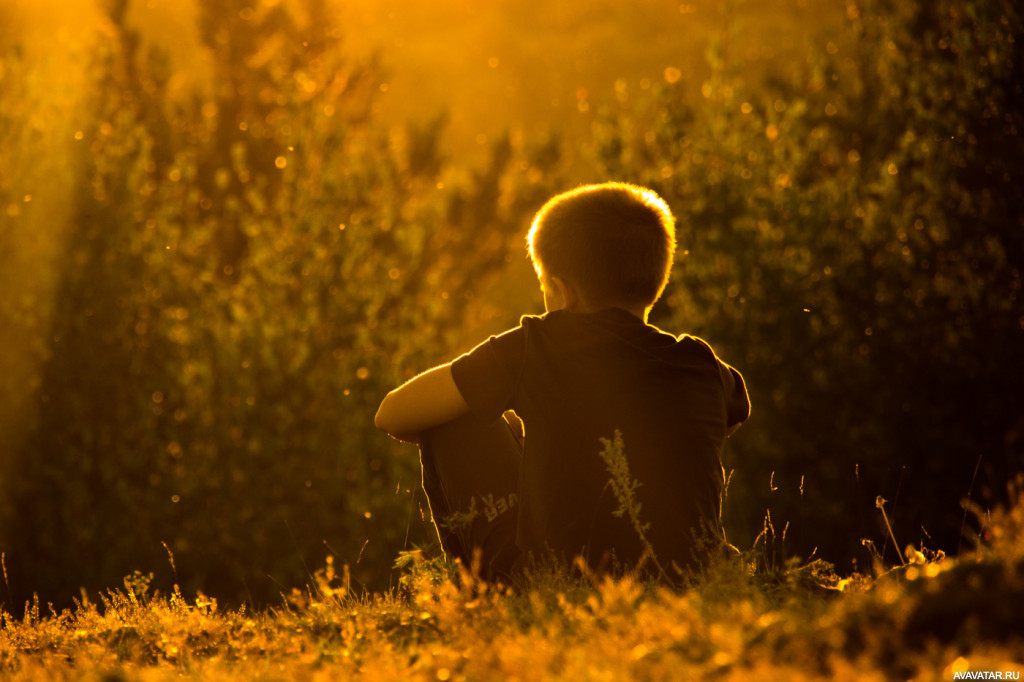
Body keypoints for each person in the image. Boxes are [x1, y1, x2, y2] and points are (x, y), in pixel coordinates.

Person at [375, 182, 749, 583]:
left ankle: (490, 591)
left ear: (563, 291)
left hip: (553, 580)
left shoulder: (537, 346)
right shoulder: (703, 365)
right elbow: (731, 414)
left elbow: (393, 414)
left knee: (450, 418)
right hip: (685, 579)